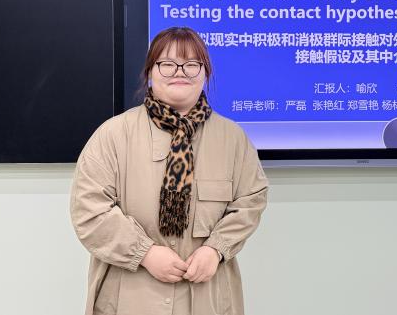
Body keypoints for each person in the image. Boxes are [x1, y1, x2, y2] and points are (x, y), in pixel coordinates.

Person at [70, 27, 268, 315]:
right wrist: (144, 253)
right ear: (151, 71)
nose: (180, 72)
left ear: (205, 72)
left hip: (207, 295)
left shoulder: (233, 139)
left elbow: (251, 200)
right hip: (130, 296)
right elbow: (89, 209)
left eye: (191, 64)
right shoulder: (113, 135)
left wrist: (216, 248)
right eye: (167, 64)